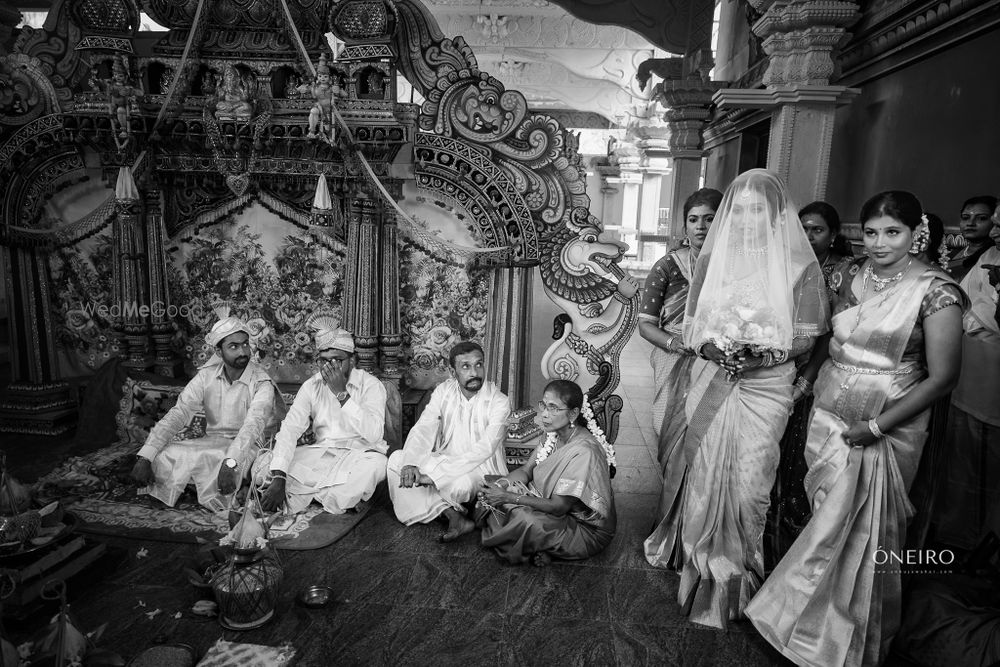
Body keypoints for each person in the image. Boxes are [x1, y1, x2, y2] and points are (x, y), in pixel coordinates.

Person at [746, 191, 967, 667]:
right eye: (870, 232)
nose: (880, 243)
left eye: (893, 232)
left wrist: (877, 425)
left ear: (917, 233)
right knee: (822, 513)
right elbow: (824, 334)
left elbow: (943, 377)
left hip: (891, 419)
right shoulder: (845, 274)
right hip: (829, 407)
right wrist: (804, 382)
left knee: (859, 529)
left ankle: (837, 639)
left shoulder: (937, 291)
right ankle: (802, 621)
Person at [643, 169, 829, 629]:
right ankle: (698, 563)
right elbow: (693, 324)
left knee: (751, 484)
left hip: (766, 386)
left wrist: (762, 352)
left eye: (757, 209)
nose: (746, 218)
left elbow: (806, 336)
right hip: (712, 376)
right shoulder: (710, 262)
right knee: (705, 472)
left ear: (774, 215)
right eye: (739, 208)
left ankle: (740, 574)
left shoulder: (799, 267)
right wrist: (709, 347)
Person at [764, 201, 853, 568]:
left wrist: (806, 378)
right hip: (778, 367)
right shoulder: (786, 266)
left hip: (820, 369)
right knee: (775, 447)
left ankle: (799, 527)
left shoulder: (845, 273)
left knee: (802, 448)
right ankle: (771, 521)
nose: (809, 235)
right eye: (803, 229)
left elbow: (831, 331)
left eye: (817, 229)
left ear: (833, 235)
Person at [131, 311, 283, 511]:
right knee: (165, 454)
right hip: (211, 443)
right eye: (233, 346)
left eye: (245, 344)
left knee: (221, 460)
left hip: (249, 447)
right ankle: (201, 487)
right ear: (219, 352)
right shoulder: (206, 377)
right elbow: (179, 413)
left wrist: (231, 462)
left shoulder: (261, 381)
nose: (243, 352)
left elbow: (253, 425)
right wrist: (146, 456)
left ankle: (207, 487)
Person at [478, 379, 616, 566]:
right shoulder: (553, 432)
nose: (544, 414)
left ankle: (550, 546)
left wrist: (507, 497)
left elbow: (558, 507)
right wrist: (500, 486)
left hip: (583, 528)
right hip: (550, 506)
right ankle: (544, 545)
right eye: (544, 405)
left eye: (553, 408)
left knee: (525, 519)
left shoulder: (585, 451)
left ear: (574, 413)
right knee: (487, 487)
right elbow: (527, 471)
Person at [259, 322, 387, 514]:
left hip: (360, 454)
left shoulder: (371, 385)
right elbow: (290, 429)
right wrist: (279, 477)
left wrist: (342, 394)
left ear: (351, 361)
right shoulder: (312, 386)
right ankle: (318, 495)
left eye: (336, 360)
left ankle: (302, 493)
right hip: (320, 451)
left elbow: (374, 434)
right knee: (262, 464)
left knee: (377, 467)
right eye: (323, 360)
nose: (328, 366)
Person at [387, 342, 510, 542]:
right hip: (445, 459)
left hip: (479, 470)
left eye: (479, 365)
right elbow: (424, 427)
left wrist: (433, 476)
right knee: (396, 461)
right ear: (453, 371)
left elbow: (484, 449)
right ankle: (453, 515)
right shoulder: (443, 391)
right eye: (466, 366)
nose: (474, 372)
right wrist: (411, 463)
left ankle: (436, 507)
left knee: (458, 486)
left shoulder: (499, 401)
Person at [933, 201, 1000, 549]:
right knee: (960, 452)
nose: (975, 224)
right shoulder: (974, 258)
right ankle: (958, 534)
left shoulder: (990, 261)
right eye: (966, 218)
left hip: (986, 367)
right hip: (964, 365)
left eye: (985, 219)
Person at [638, 188, 722, 438]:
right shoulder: (667, 267)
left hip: (717, 359)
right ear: (685, 227)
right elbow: (645, 325)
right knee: (669, 430)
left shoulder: (734, 268)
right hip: (673, 357)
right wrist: (675, 343)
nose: (701, 227)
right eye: (693, 219)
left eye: (709, 219)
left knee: (710, 434)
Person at [946, 195, 998, 281]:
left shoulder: (995, 258)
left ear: (995, 221)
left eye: (982, 218)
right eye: (965, 217)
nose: (970, 223)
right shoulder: (950, 255)